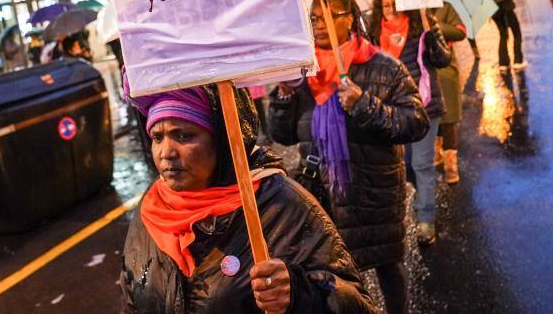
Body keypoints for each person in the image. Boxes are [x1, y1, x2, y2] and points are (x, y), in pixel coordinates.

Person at [120, 80, 377, 313]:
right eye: (157, 137)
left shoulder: (281, 205)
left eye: (184, 135)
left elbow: (357, 304)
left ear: (220, 139)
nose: (166, 152)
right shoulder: (151, 210)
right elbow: (131, 297)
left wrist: (299, 295)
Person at [268, 0, 429, 314]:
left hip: (374, 192)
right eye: (312, 18)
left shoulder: (384, 66)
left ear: (351, 17)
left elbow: (416, 122)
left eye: (329, 14)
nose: (319, 24)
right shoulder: (301, 72)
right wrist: (284, 97)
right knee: (341, 282)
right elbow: (282, 136)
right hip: (324, 197)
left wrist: (364, 104)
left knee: (389, 269)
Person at [368, 0, 451, 246]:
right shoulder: (373, 33)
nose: (390, 11)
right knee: (408, 169)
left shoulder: (421, 25)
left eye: (394, 5)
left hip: (426, 105)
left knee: (422, 164)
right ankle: (420, 193)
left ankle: (426, 220)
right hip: (395, 111)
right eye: (385, 6)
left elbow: (442, 59)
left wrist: (430, 27)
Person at [433, 3, 467, 184]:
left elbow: (460, 32)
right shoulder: (410, 12)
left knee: (448, 119)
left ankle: (450, 165)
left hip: (446, 70)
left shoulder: (445, 7)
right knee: (430, 118)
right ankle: (436, 152)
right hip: (423, 73)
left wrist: (435, 25)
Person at [491, 0, 526, 72]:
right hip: (506, 6)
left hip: (493, 8)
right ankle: (518, 60)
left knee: (503, 34)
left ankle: (503, 63)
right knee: (516, 33)